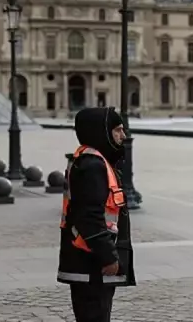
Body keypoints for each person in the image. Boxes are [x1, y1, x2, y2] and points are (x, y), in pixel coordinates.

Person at [58, 107, 136, 322]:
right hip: (91, 262)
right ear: (100, 132)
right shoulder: (93, 165)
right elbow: (90, 216)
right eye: (118, 130)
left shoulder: (92, 160)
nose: (124, 136)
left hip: (88, 260)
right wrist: (109, 257)